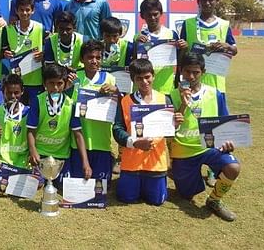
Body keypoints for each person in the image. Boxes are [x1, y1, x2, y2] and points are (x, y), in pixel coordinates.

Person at [170, 53, 240, 221]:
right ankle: (185, 176)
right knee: (187, 195)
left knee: (233, 168)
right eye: (187, 72)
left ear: (203, 72)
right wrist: (182, 105)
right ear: (181, 71)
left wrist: (228, 142)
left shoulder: (215, 94)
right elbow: (169, 129)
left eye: (196, 72)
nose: (191, 76)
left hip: (210, 147)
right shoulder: (171, 95)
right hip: (183, 151)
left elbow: (225, 122)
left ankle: (214, 200)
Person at [113, 59, 183, 205]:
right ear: (133, 80)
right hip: (131, 163)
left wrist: (175, 124)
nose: (144, 82)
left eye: (147, 77)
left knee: (156, 201)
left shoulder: (165, 99)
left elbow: (169, 131)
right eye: (139, 78)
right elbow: (117, 129)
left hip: (156, 163)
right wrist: (136, 143)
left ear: (153, 76)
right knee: (127, 198)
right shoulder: (125, 101)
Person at [27, 64, 92, 180]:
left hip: (61, 156)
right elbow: (31, 130)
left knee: (63, 186)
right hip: (40, 153)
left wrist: (86, 163)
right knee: (37, 183)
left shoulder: (71, 104)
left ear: (66, 84)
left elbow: (78, 135)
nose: (55, 88)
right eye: (51, 83)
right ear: (44, 83)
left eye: (59, 83)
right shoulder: (37, 101)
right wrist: (33, 151)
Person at [68, 40, 118, 185]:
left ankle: (110, 160)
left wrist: (115, 90)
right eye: (90, 57)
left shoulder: (109, 78)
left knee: (102, 186)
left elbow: (120, 103)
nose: (94, 61)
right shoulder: (74, 77)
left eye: (98, 57)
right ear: (82, 59)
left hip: (101, 139)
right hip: (79, 138)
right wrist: (68, 86)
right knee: (79, 183)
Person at [179, 0, 238, 101]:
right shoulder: (188, 23)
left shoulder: (224, 24)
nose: (207, 3)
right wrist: (183, 47)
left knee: (214, 116)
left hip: (216, 82)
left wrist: (227, 46)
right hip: (192, 81)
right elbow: (181, 55)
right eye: (203, 0)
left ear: (217, 1)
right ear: (198, 1)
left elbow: (234, 50)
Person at [134, 0, 187, 95]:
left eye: (155, 14)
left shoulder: (172, 35)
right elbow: (134, 63)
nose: (152, 18)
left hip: (166, 89)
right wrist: (136, 46)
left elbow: (179, 61)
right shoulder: (138, 37)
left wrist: (183, 49)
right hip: (144, 90)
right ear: (142, 16)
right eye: (149, 15)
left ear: (161, 13)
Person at [1, 0, 45, 104]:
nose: (24, 13)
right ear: (16, 10)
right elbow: (3, 50)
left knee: (34, 112)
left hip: (36, 80)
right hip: (16, 82)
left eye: (27, 10)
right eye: (21, 10)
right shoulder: (8, 29)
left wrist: (43, 54)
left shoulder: (40, 28)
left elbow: (50, 48)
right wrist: (5, 54)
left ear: (33, 10)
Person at [0, 74, 31, 171]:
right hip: (1, 162)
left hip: (23, 162)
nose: (13, 96)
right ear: (3, 92)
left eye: (16, 92)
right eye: (9, 93)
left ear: (22, 91)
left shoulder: (29, 112)